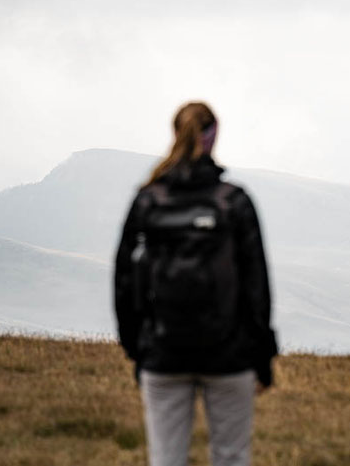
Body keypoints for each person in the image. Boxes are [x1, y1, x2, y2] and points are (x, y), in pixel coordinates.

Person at [113, 100, 278, 466]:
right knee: (231, 457)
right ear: (213, 137)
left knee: (166, 460)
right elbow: (257, 287)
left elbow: (124, 281)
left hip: (163, 353)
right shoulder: (234, 201)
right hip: (230, 355)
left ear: (175, 134)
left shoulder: (148, 201)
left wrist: (137, 349)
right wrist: (262, 357)